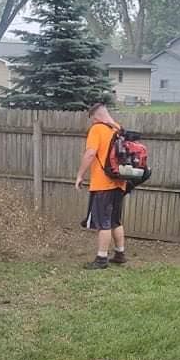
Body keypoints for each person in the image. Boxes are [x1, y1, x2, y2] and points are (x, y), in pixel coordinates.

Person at [75, 102, 127, 269]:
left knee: (103, 222)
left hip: (103, 184)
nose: (92, 123)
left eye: (92, 119)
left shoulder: (97, 129)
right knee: (115, 221)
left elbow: (90, 153)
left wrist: (80, 175)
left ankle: (101, 259)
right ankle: (120, 254)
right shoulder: (118, 129)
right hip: (119, 183)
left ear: (96, 117)